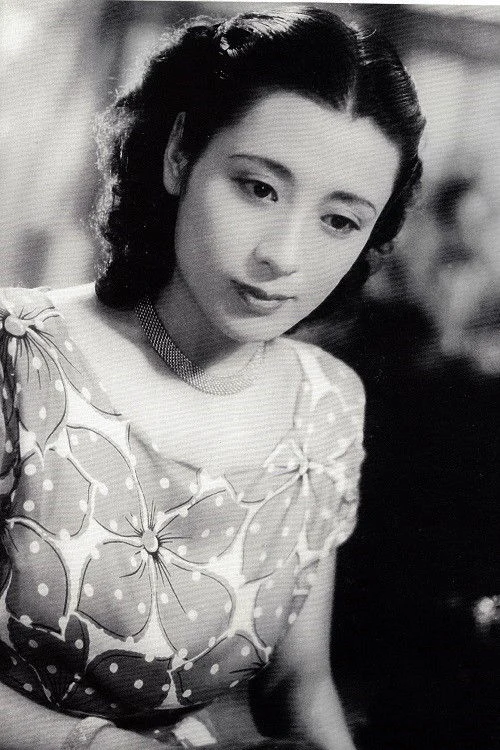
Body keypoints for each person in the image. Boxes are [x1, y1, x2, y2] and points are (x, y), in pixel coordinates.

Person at [0, 6, 424, 750]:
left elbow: (299, 685)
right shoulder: (19, 353)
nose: (282, 255)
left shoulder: (328, 404)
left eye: (339, 221)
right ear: (179, 157)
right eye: (258, 188)